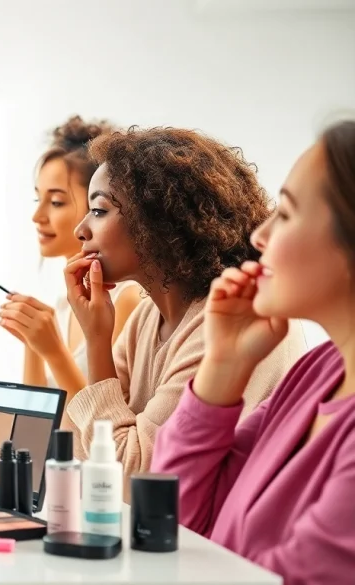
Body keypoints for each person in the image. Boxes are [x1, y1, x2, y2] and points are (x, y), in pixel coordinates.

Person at [151, 120, 355, 583]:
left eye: (284, 213)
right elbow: (174, 521)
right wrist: (223, 366)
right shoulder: (314, 374)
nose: (260, 236)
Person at [61, 126, 307, 488]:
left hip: (223, 541)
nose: (81, 230)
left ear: (157, 221)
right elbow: (84, 450)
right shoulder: (148, 317)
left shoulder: (228, 321)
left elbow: (132, 480)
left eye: (99, 210)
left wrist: (97, 341)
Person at [0, 115, 143, 393]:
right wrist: (34, 345)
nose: (37, 216)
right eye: (37, 199)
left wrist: (53, 352)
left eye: (56, 202)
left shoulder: (128, 300)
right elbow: (36, 422)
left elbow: (107, 424)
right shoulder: (64, 306)